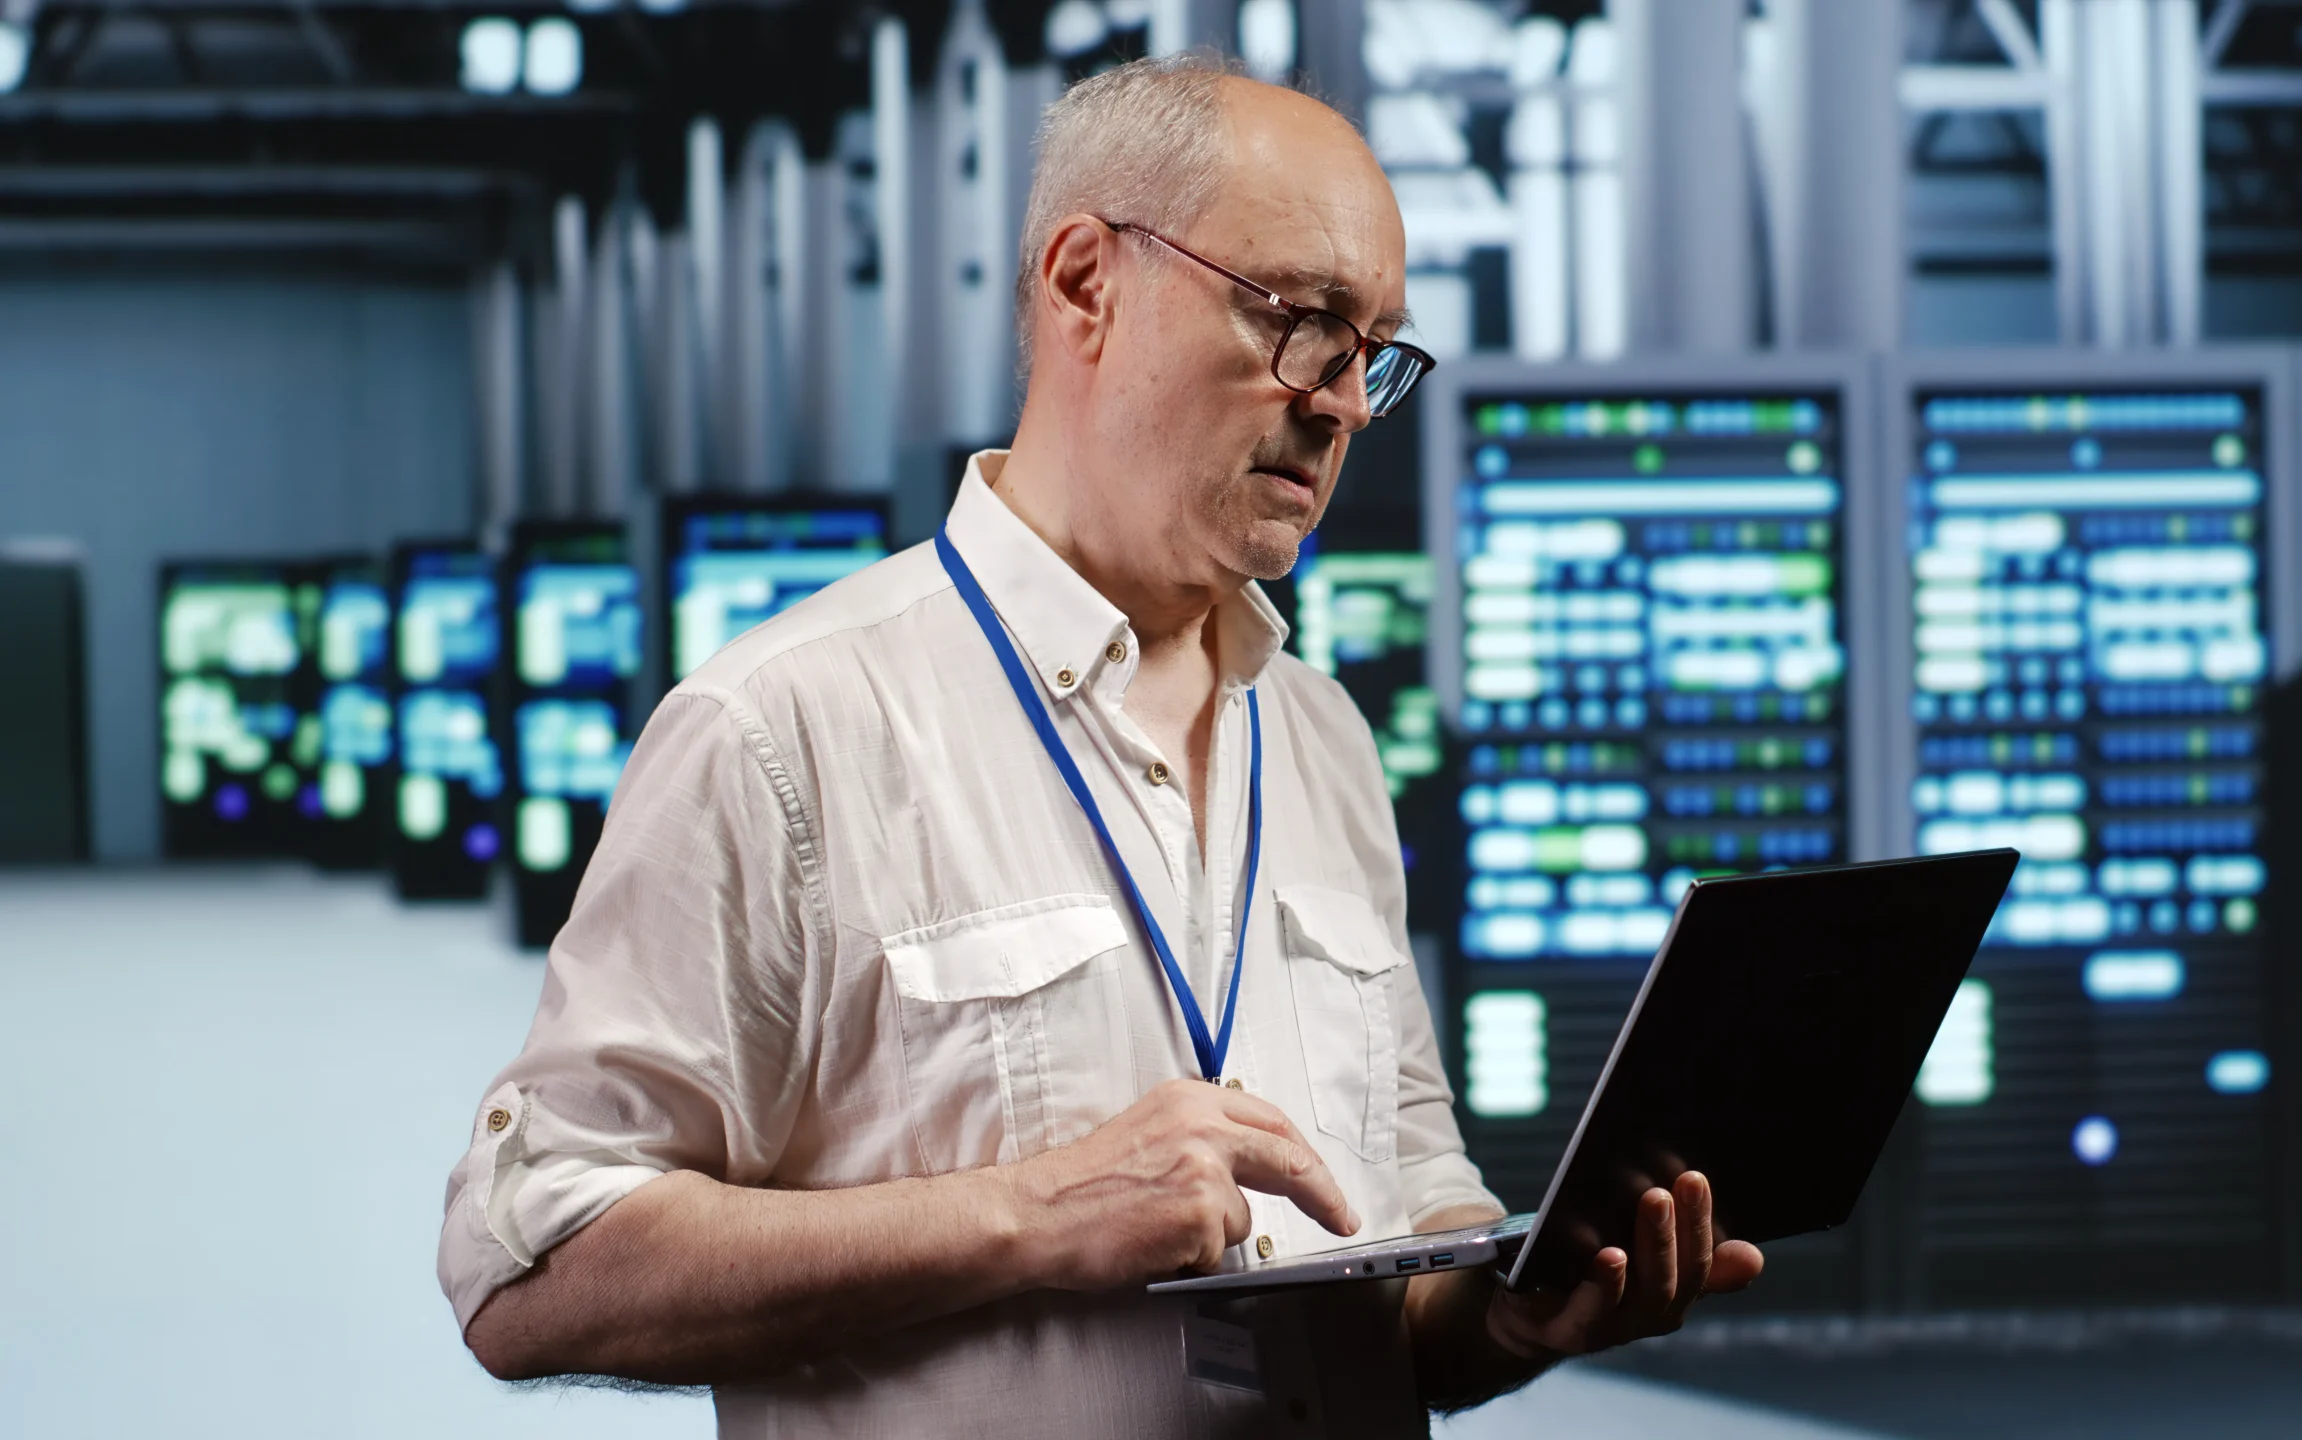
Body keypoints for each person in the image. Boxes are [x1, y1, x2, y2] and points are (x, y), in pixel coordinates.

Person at [438, 53, 1761, 1438]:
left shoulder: (1318, 738)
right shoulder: (783, 732)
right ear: (1086, 282)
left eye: (1375, 351)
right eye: (1303, 323)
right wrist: (1031, 1214)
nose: (1347, 403)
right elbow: (527, 1266)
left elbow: (1408, 1219)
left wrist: (1502, 1317)